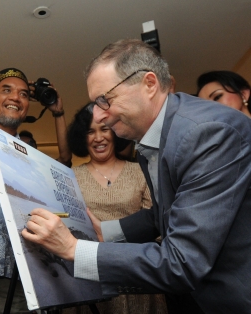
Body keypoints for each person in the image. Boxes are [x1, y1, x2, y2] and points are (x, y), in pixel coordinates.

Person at [22, 39, 251, 313]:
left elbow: (182, 262)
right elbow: (164, 214)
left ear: (149, 84)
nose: (98, 115)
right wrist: (104, 232)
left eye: (104, 100)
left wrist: (74, 249)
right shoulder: (150, 143)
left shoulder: (206, 134)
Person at [0, 68, 70, 314]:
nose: (16, 98)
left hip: (20, 282)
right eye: (6, 90)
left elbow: (64, 168)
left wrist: (58, 113)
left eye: (24, 94)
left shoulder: (32, 158)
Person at [64, 103, 166, 314]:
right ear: (82, 138)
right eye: (90, 131)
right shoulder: (70, 177)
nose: (98, 137)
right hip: (89, 276)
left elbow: (156, 225)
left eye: (104, 129)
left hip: (137, 274)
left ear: (116, 132)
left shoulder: (141, 170)